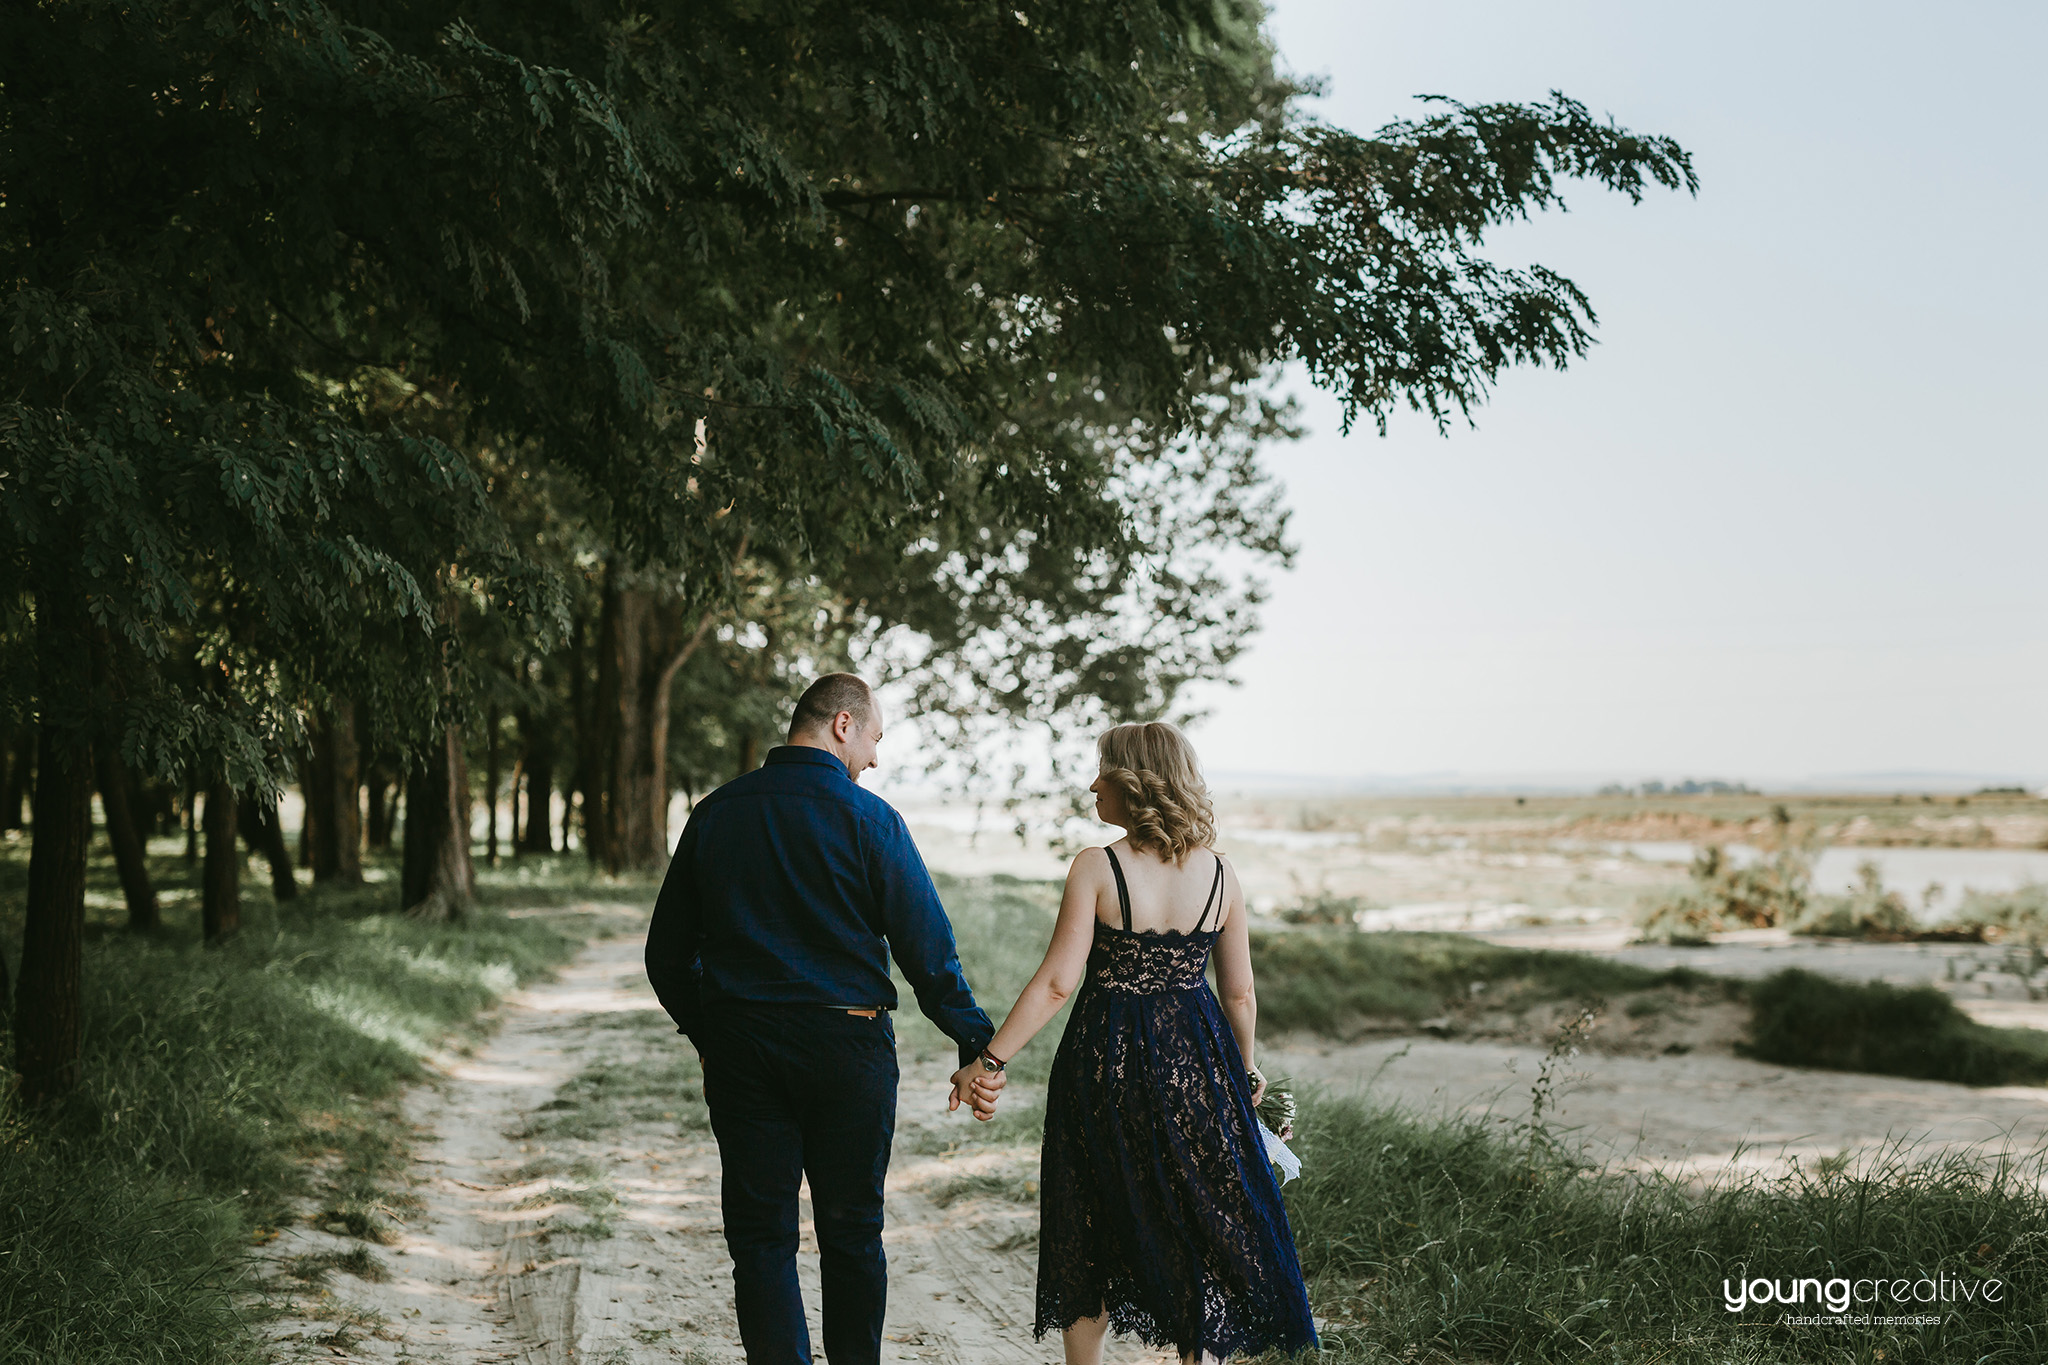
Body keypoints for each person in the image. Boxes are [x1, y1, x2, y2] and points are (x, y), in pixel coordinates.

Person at [644, 673, 1006, 1365]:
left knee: (760, 1237)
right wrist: (977, 1043)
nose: (875, 757)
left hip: (742, 1047)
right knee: (851, 1232)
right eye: (875, 737)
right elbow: (929, 954)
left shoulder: (716, 813)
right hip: (850, 1045)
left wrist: (712, 1030)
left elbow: (666, 954)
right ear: (843, 724)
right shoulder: (873, 821)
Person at [970, 721, 1318, 1365]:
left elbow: (1056, 983)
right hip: (1197, 1061)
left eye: (1103, 771)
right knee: (1193, 1214)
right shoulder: (1221, 876)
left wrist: (992, 1059)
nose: (1093, 783)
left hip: (1106, 1062)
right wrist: (1245, 1068)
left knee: (1089, 1213)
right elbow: (1239, 994)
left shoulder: (1097, 867)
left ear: (1135, 784)